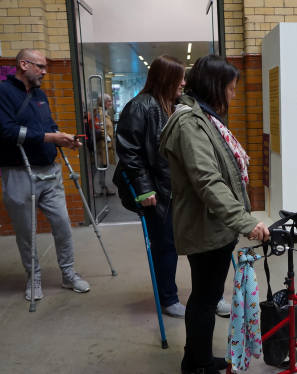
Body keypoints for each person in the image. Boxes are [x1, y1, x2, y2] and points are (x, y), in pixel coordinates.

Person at [159, 54, 270, 374]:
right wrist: (246, 222)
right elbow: (208, 181)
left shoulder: (203, 117)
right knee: (207, 299)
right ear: (214, 87)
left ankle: (193, 360)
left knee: (204, 295)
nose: (234, 96)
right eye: (231, 89)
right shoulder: (190, 122)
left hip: (212, 222)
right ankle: (202, 365)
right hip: (204, 224)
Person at [0, 48, 89, 301]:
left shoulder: (40, 94)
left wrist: (63, 140)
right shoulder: (1, 93)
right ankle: (34, 277)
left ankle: (68, 273)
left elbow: (49, 127)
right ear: (23, 64)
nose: (44, 71)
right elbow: (8, 133)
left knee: (63, 225)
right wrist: (51, 137)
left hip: (49, 172)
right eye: (40, 66)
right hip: (20, 173)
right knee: (26, 231)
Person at [114, 55, 187, 318]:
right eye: (180, 77)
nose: (183, 82)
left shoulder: (175, 105)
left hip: (176, 186)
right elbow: (129, 151)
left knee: (184, 240)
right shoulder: (140, 106)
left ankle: (203, 296)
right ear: (166, 78)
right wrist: (144, 189)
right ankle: (168, 298)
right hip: (156, 189)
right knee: (165, 243)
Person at [93, 93, 115, 196]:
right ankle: (99, 187)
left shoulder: (104, 112)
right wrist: (107, 137)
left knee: (104, 167)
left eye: (110, 101)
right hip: (102, 144)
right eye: (108, 101)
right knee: (100, 167)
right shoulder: (100, 112)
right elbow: (100, 126)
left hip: (105, 144)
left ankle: (103, 186)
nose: (110, 103)